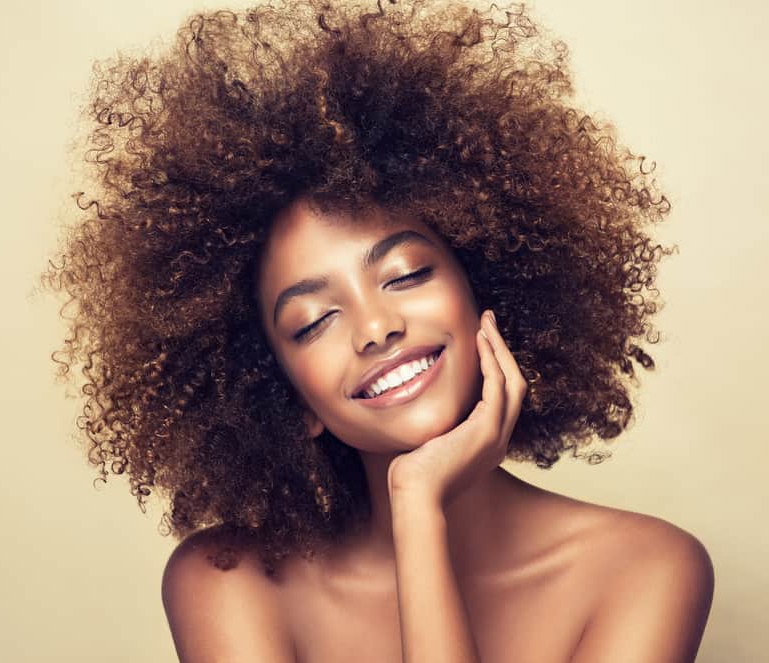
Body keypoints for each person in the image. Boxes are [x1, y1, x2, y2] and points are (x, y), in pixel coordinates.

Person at [42, 0, 714, 660]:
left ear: (488, 287)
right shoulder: (227, 582)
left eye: (405, 275)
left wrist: (420, 508)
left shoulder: (646, 570)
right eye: (314, 321)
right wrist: (415, 503)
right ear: (288, 396)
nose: (374, 327)